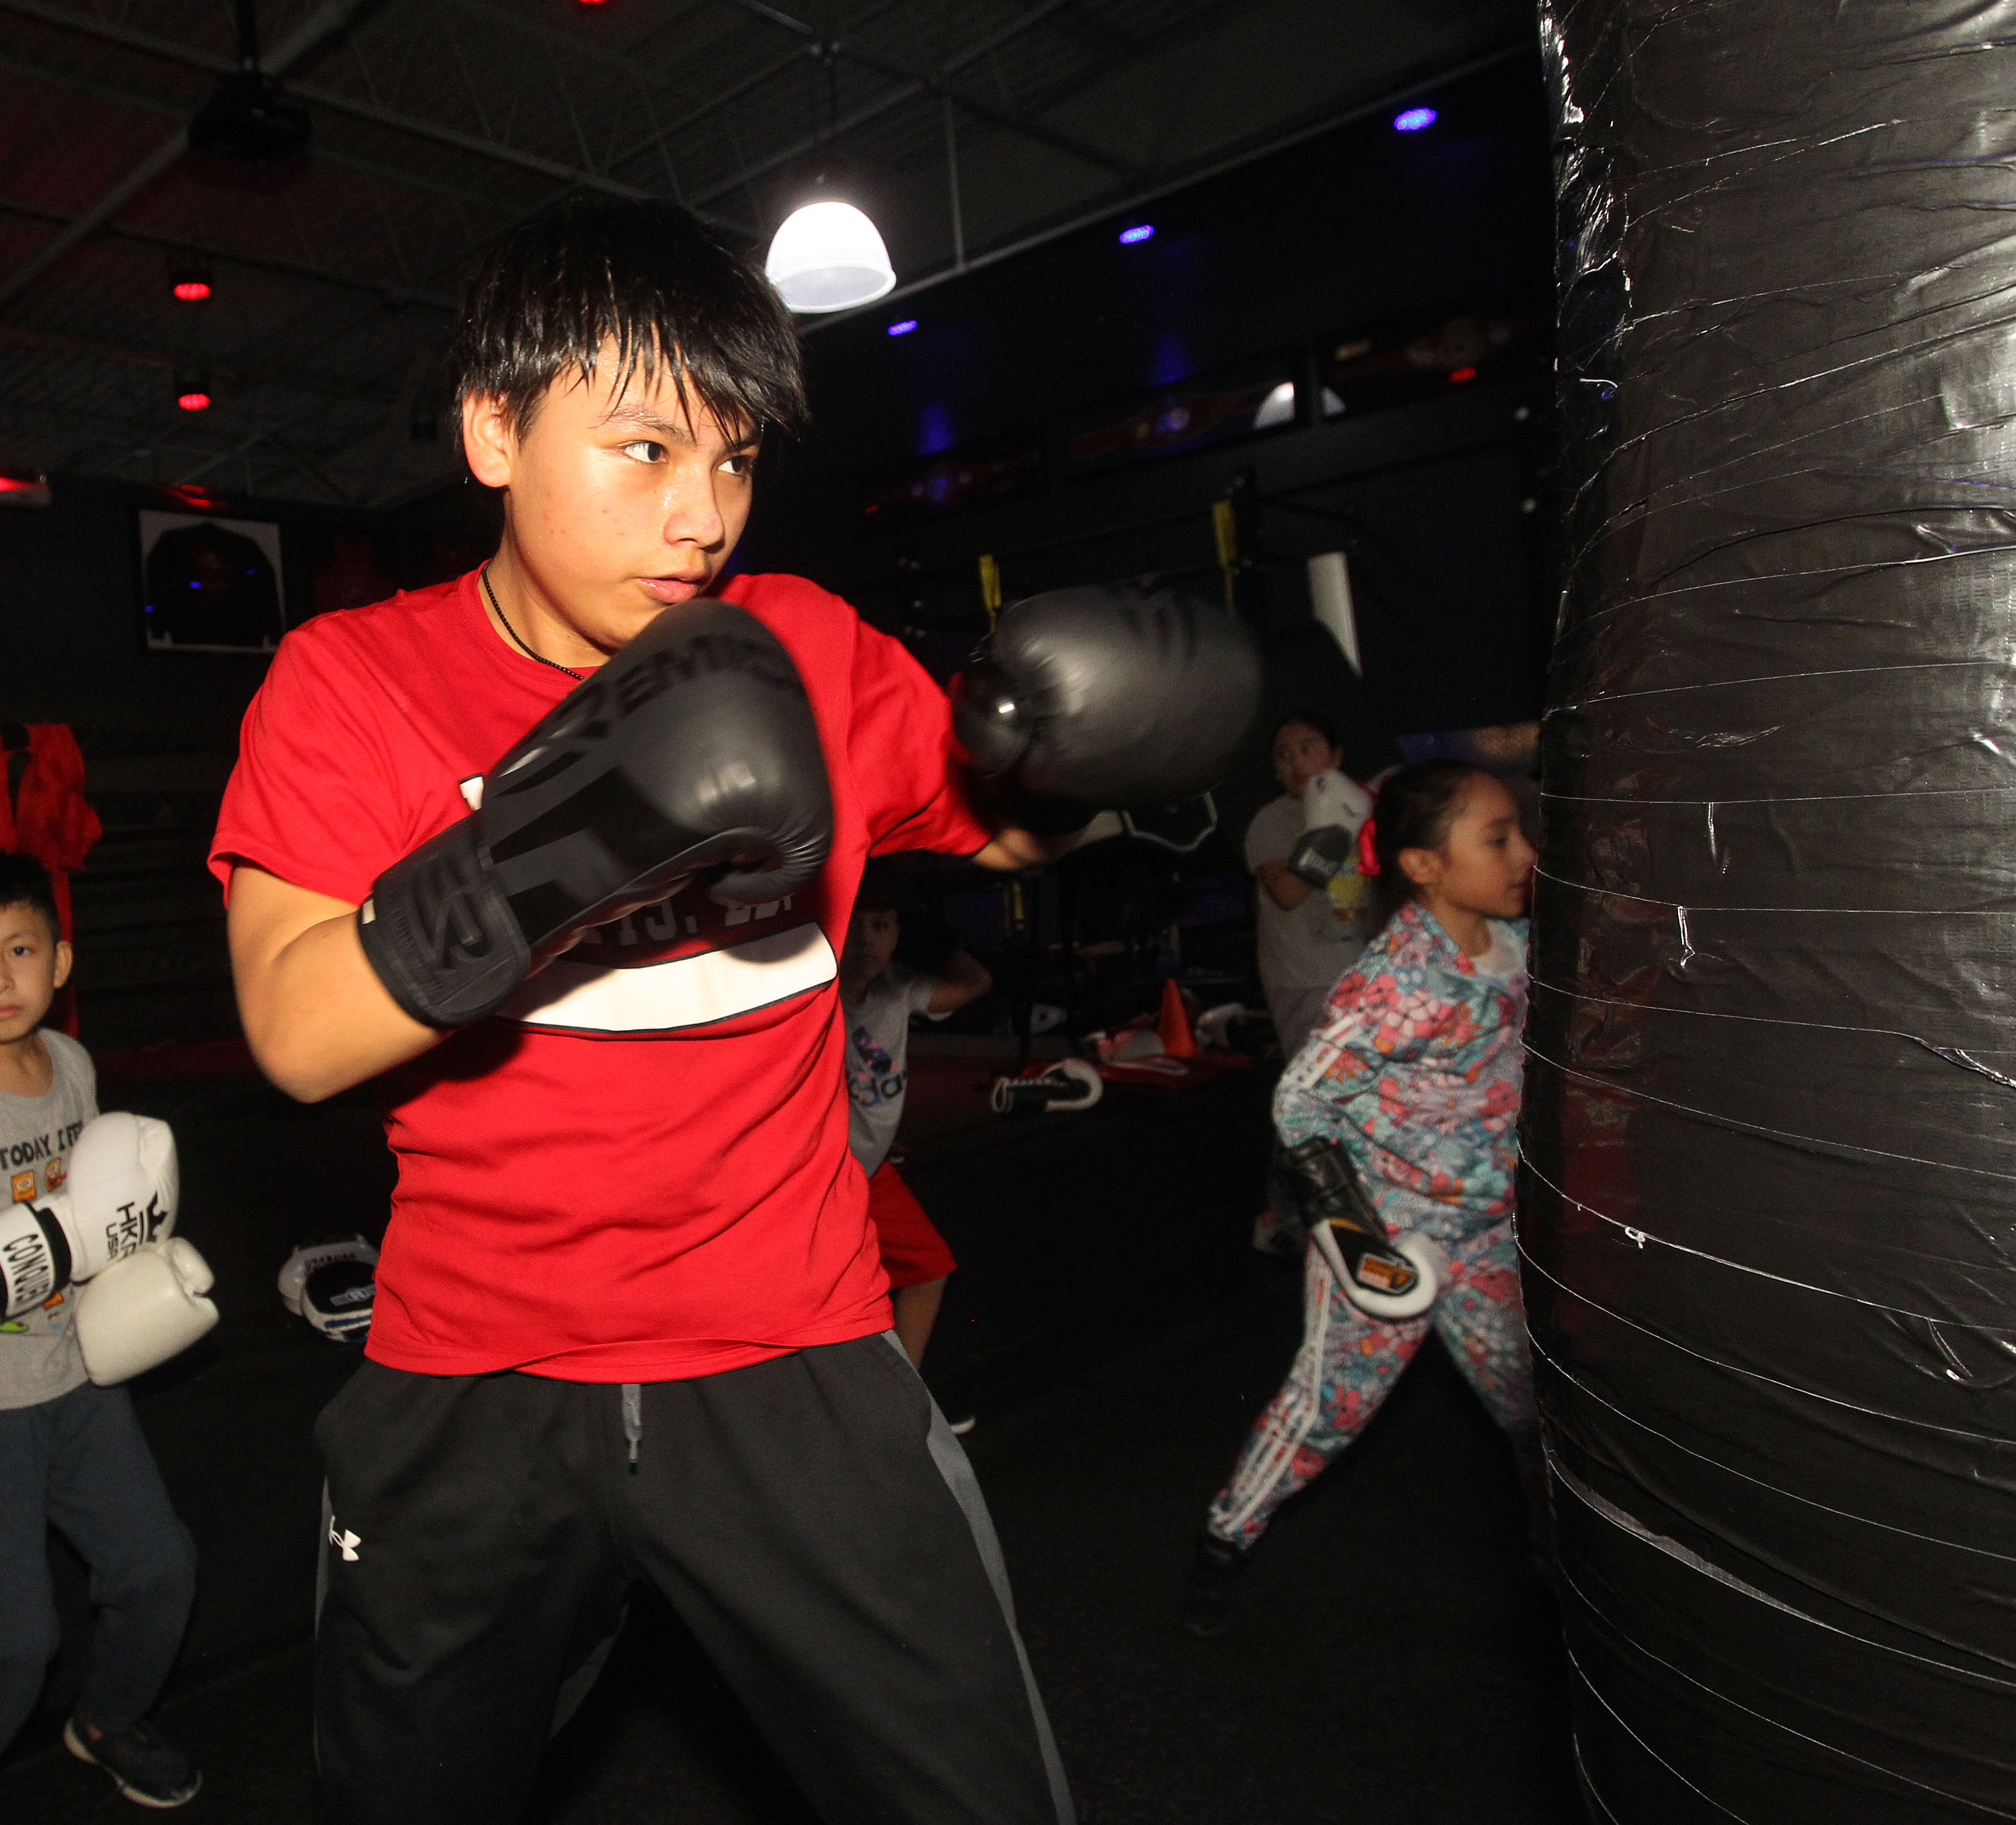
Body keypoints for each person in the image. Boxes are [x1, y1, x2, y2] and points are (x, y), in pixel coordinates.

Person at [213, 198, 1250, 1824]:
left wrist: (1089, 767)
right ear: (494, 425)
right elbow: (293, 1022)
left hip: (796, 1357)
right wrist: (574, 832)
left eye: (736, 458)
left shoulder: (805, 645)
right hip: (473, 1372)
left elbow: (1002, 822)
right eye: (643, 450)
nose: (699, 514)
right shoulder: (353, 680)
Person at [1184, 761, 1540, 1636]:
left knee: (1538, 1411)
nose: (1526, 853)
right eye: (1497, 840)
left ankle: (1570, 1573)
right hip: (1392, 1233)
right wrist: (1355, 1239)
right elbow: (1301, 1100)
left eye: (1518, 831)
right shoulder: (1397, 983)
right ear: (1424, 867)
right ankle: (1224, 1543)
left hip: (1488, 1229)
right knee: (1326, 1411)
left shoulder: (1522, 945)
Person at [0, 847, 200, 1819]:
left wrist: (138, 1257)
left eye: (19, 948)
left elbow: (100, 1204)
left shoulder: (71, 1063)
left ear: (60, 960)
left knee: (157, 1568)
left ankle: (104, 1720)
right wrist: (77, 1230)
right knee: (11, 1642)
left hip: (74, 1365)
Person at [838, 869, 992, 1372]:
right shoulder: (813, 995)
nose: (866, 939)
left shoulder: (898, 989)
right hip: (819, 1172)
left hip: (870, 1168)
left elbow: (975, 983)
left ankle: (911, 1401)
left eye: (881, 926)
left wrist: (932, 936)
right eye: (855, 925)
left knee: (930, 1268)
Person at [1244, 711, 1373, 1049]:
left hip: (1367, 973)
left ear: (1336, 756)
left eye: (1308, 749)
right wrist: (1331, 832)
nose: (1296, 762)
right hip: (1303, 980)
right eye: (1284, 755)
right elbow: (1287, 894)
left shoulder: (1366, 809)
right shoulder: (1271, 821)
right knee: (1319, 1090)